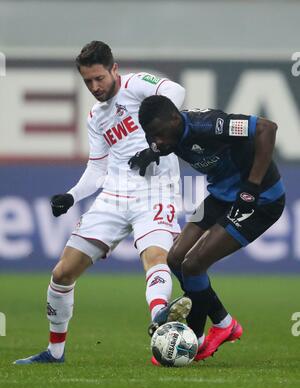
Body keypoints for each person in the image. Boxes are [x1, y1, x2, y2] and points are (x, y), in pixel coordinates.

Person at [14, 40, 192, 365]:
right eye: (88, 82)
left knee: (155, 257)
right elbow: (97, 167)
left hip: (156, 191)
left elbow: (176, 92)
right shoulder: (96, 116)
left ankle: (159, 318)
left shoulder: (137, 85)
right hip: (113, 195)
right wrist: (71, 195)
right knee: (62, 273)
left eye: (99, 78)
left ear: (114, 69)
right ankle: (55, 352)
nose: (95, 87)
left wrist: (154, 148)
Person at [129, 95, 285, 363]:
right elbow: (160, 142)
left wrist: (253, 186)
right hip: (220, 196)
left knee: (193, 265)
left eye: (160, 135)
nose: (158, 141)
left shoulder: (210, 125)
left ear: (175, 120)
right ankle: (224, 324)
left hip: (259, 200)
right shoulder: (165, 135)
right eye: (151, 136)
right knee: (175, 258)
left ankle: (193, 339)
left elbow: (266, 127)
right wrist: (151, 152)